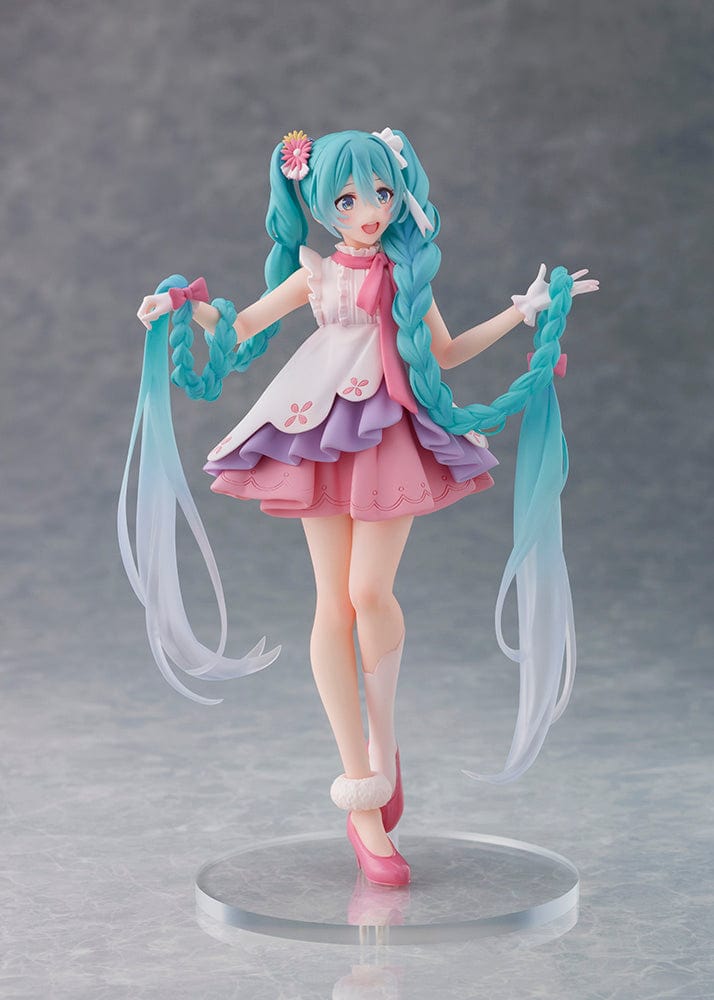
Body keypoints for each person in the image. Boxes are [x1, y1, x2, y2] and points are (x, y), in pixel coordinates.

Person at [125, 127, 598, 886]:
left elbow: (444, 352)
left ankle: (385, 743)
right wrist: (179, 309)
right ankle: (360, 793)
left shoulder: (404, 274)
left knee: (370, 591)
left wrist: (523, 313)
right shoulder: (314, 272)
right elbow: (242, 326)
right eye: (347, 199)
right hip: (315, 425)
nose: (369, 210)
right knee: (332, 603)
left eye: (380, 193)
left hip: (388, 427)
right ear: (319, 204)